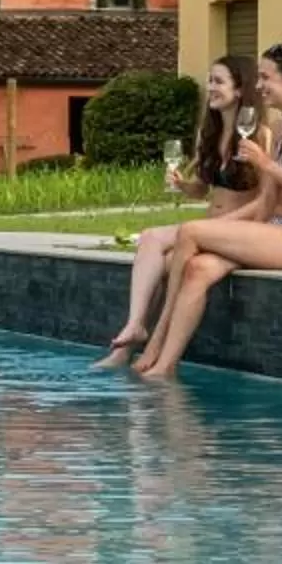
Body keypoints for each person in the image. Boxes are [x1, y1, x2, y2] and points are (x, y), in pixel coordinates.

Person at [132, 43, 282, 380]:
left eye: (265, 77)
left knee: (189, 232)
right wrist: (242, 235)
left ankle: (155, 342)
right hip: (276, 230)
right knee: (197, 268)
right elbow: (268, 200)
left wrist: (265, 163)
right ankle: (165, 366)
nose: (258, 86)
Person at [93, 55, 260, 367]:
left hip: (236, 228)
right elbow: (202, 188)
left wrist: (229, 222)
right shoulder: (209, 133)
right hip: (209, 223)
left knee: (160, 249)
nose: (210, 88)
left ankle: (135, 336)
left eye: (219, 82)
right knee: (156, 250)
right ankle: (128, 340)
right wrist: (183, 185)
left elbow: (266, 198)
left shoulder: (257, 135)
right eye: (209, 81)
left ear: (240, 90)